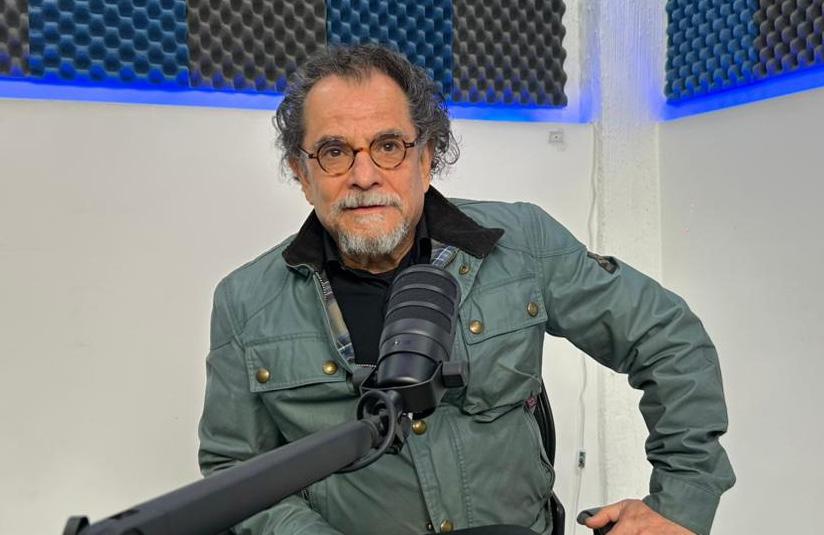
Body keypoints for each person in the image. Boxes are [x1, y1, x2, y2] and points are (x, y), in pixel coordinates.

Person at [198, 44, 735, 535]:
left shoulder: (524, 242)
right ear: (301, 172)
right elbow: (235, 471)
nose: (364, 175)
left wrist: (680, 503)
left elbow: (668, 340)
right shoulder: (245, 303)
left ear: (425, 158)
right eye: (334, 152)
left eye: (388, 146)